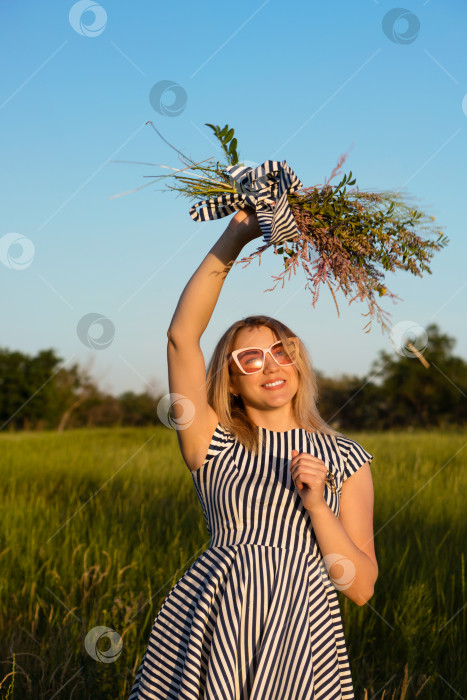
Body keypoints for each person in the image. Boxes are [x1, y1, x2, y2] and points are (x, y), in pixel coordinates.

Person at [129, 207, 378, 700]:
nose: (271, 365)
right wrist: (237, 234)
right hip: (213, 620)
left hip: (302, 632)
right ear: (232, 379)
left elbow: (361, 587)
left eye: (282, 350)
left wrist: (316, 504)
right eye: (251, 357)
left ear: (298, 362)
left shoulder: (347, 457)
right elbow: (182, 337)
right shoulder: (210, 440)